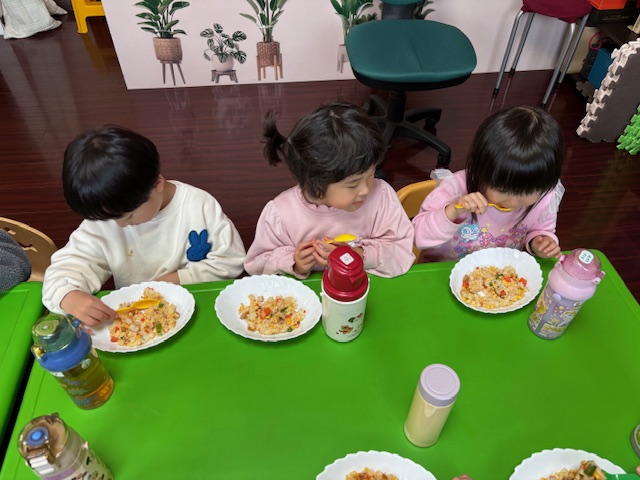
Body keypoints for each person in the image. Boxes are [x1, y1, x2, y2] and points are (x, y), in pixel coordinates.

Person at [43, 126, 246, 326]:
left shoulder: (198, 206)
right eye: (110, 219)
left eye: (130, 216)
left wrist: (180, 278)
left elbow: (231, 260)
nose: (120, 225)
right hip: (139, 321)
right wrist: (68, 295)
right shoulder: (105, 218)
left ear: (157, 184)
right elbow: (64, 269)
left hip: (201, 308)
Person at [244, 102, 415, 278]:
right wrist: (293, 263)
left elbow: (402, 251)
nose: (366, 189)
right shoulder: (281, 214)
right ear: (317, 183)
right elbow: (256, 266)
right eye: (353, 184)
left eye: (371, 174)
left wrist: (360, 255)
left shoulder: (381, 197)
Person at [413, 105, 564, 262]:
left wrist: (539, 242)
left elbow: (540, 230)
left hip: (499, 272)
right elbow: (418, 236)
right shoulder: (455, 189)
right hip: (442, 268)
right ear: (481, 169)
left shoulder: (544, 197)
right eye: (502, 189)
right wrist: (453, 211)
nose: (512, 202)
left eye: (527, 192)